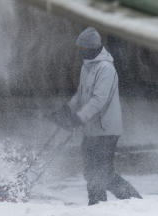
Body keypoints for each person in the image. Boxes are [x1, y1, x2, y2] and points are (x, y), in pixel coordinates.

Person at [52, 27, 141, 206]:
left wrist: (79, 118)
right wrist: (67, 109)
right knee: (90, 171)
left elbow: (98, 100)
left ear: (93, 48)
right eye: (80, 49)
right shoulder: (88, 66)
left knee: (103, 173)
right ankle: (97, 206)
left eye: (83, 49)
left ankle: (135, 201)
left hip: (106, 129)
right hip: (91, 129)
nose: (81, 52)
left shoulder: (105, 68)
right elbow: (81, 94)